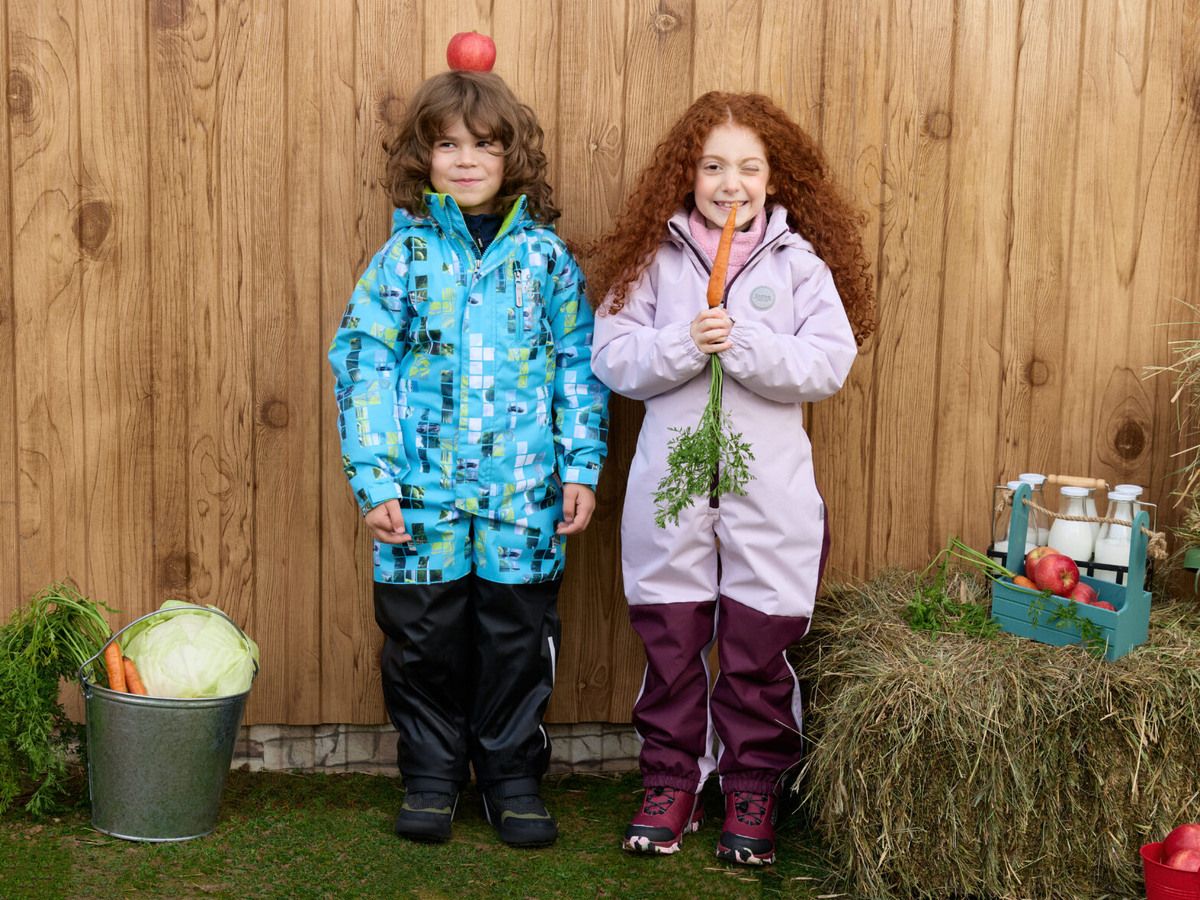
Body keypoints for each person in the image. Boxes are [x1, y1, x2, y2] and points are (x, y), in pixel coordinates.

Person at [585, 91, 876, 866]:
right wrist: (684, 342)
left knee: (759, 644)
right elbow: (612, 356)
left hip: (768, 491)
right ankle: (673, 779)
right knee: (671, 640)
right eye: (712, 165)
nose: (729, 182)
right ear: (687, 175)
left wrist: (743, 344)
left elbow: (829, 362)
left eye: (749, 167)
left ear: (775, 180)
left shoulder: (798, 265)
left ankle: (753, 786)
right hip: (671, 488)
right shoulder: (655, 259)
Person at [328, 69, 609, 848]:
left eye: (484, 145)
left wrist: (581, 464)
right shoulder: (403, 258)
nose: (465, 159)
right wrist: (376, 477)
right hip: (419, 500)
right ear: (423, 157)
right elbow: (362, 362)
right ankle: (431, 776)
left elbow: (578, 364)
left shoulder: (547, 261)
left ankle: (513, 779)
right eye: (446, 144)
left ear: (511, 156)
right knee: (422, 643)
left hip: (524, 501)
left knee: (517, 640)